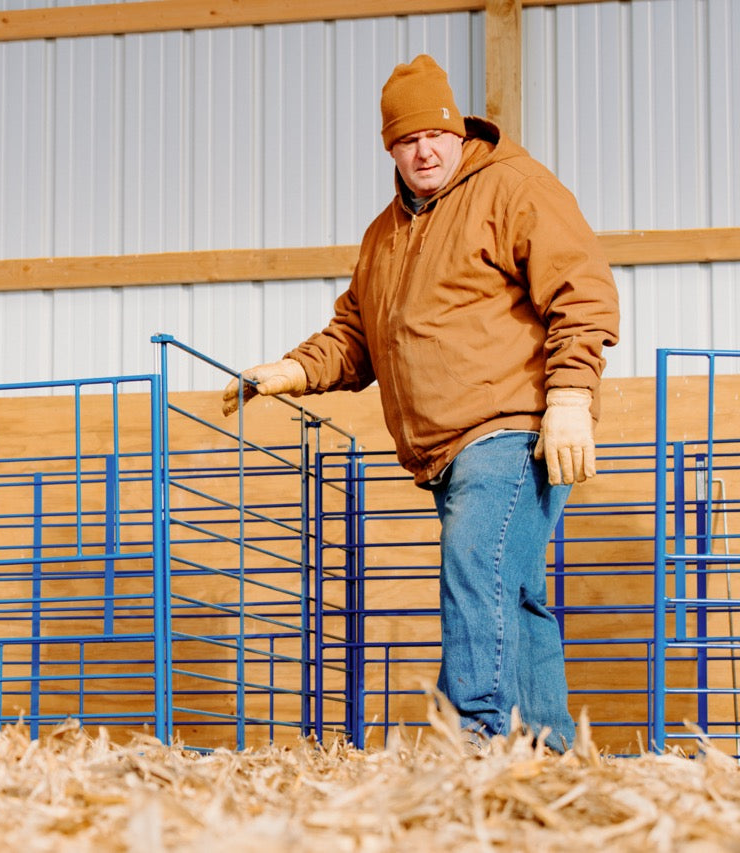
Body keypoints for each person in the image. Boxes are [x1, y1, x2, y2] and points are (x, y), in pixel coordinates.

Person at [222, 54, 620, 753]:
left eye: (435, 134)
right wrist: (292, 368)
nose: (424, 150)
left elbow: (581, 290)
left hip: (511, 429)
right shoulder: (386, 236)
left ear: (459, 131)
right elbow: (356, 335)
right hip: (446, 449)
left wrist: (570, 396)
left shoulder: (513, 190)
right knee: (513, 591)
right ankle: (551, 757)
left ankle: (475, 742)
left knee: (475, 571)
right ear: (392, 149)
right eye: (407, 141)